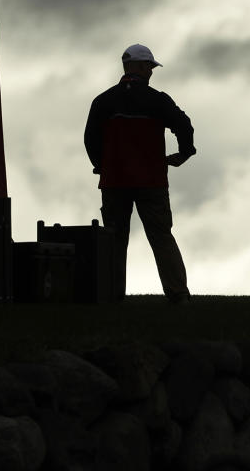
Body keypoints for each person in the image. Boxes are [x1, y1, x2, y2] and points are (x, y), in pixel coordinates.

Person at [84, 43, 195, 304]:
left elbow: (90, 138)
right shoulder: (158, 100)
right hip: (152, 181)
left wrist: (101, 164)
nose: (151, 72)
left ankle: (112, 296)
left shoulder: (104, 100)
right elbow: (184, 125)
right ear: (138, 66)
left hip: (115, 181)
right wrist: (184, 153)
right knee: (161, 237)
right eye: (149, 66)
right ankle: (178, 294)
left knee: (115, 240)